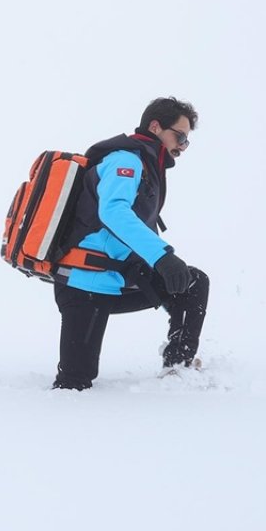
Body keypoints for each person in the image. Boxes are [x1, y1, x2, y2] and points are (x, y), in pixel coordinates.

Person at [51, 97, 210, 390]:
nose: (183, 146)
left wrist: (159, 264)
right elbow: (113, 211)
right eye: (180, 136)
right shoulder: (125, 160)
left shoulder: (148, 165)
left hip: (118, 278)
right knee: (75, 381)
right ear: (155, 126)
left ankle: (178, 367)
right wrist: (163, 256)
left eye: (187, 141)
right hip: (85, 285)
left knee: (192, 282)